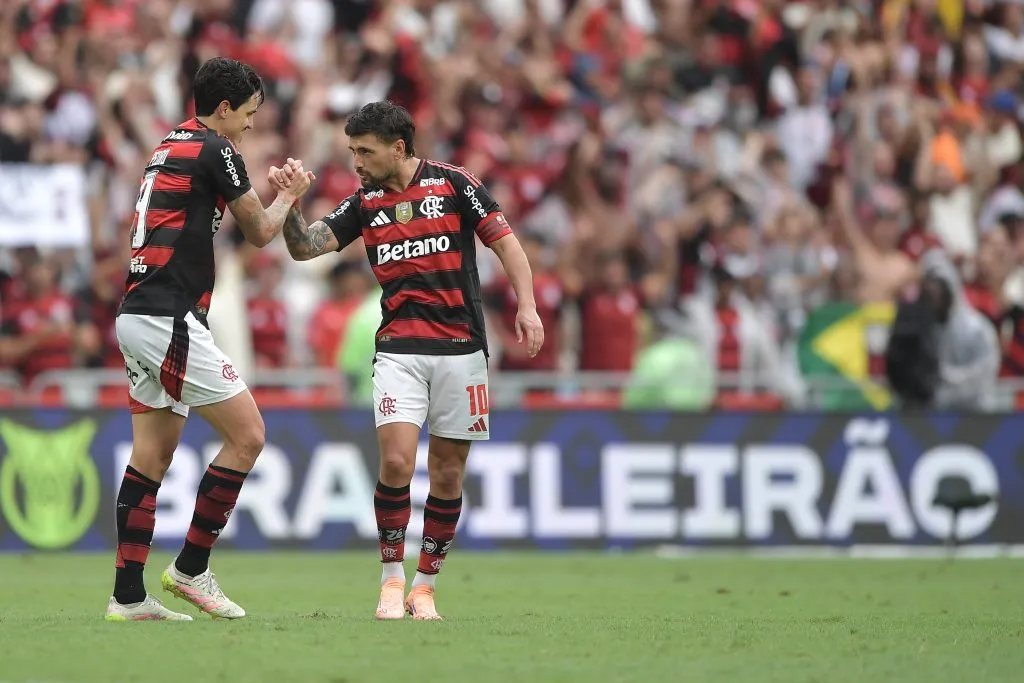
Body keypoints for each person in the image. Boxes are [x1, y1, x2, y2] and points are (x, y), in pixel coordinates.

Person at [274, 101, 543, 621]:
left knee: (447, 474)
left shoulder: (454, 184)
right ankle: (391, 580)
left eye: (364, 151)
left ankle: (426, 586)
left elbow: (508, 246)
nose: (355, 161)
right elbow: (305, 249)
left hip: (462, 349)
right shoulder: (363, 203)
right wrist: (288, 203)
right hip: (399, 348)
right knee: (396, 461)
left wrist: (527, 307)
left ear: (398, 147)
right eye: (352, 150)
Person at [105, 57, 314, 622]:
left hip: (139, 312)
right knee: (249, 435)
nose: (249, 125)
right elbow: (261, 231)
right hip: (168, 315)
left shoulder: (167, 144)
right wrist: (290, 193)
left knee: (152, 454)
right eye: (247, 114)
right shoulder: (216, 147)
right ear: (223, 109)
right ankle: (192, 568)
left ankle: (128, 597)